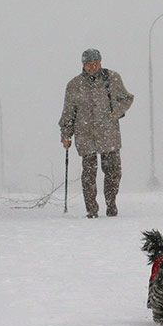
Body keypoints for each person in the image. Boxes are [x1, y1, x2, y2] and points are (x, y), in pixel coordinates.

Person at [59, 48, 134, 218]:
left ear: (100, 62)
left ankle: (110, 202)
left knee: (114, 172)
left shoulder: (112, 78)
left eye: (95, 63)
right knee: (88, 175)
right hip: (85, 135)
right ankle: (91, 209)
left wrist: (115, 112)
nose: (92, 67)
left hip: (109, 134)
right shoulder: (74, 85)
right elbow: (68, 113)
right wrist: (65, 134)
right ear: (82, 64)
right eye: (88, 64)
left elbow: (127, 98)